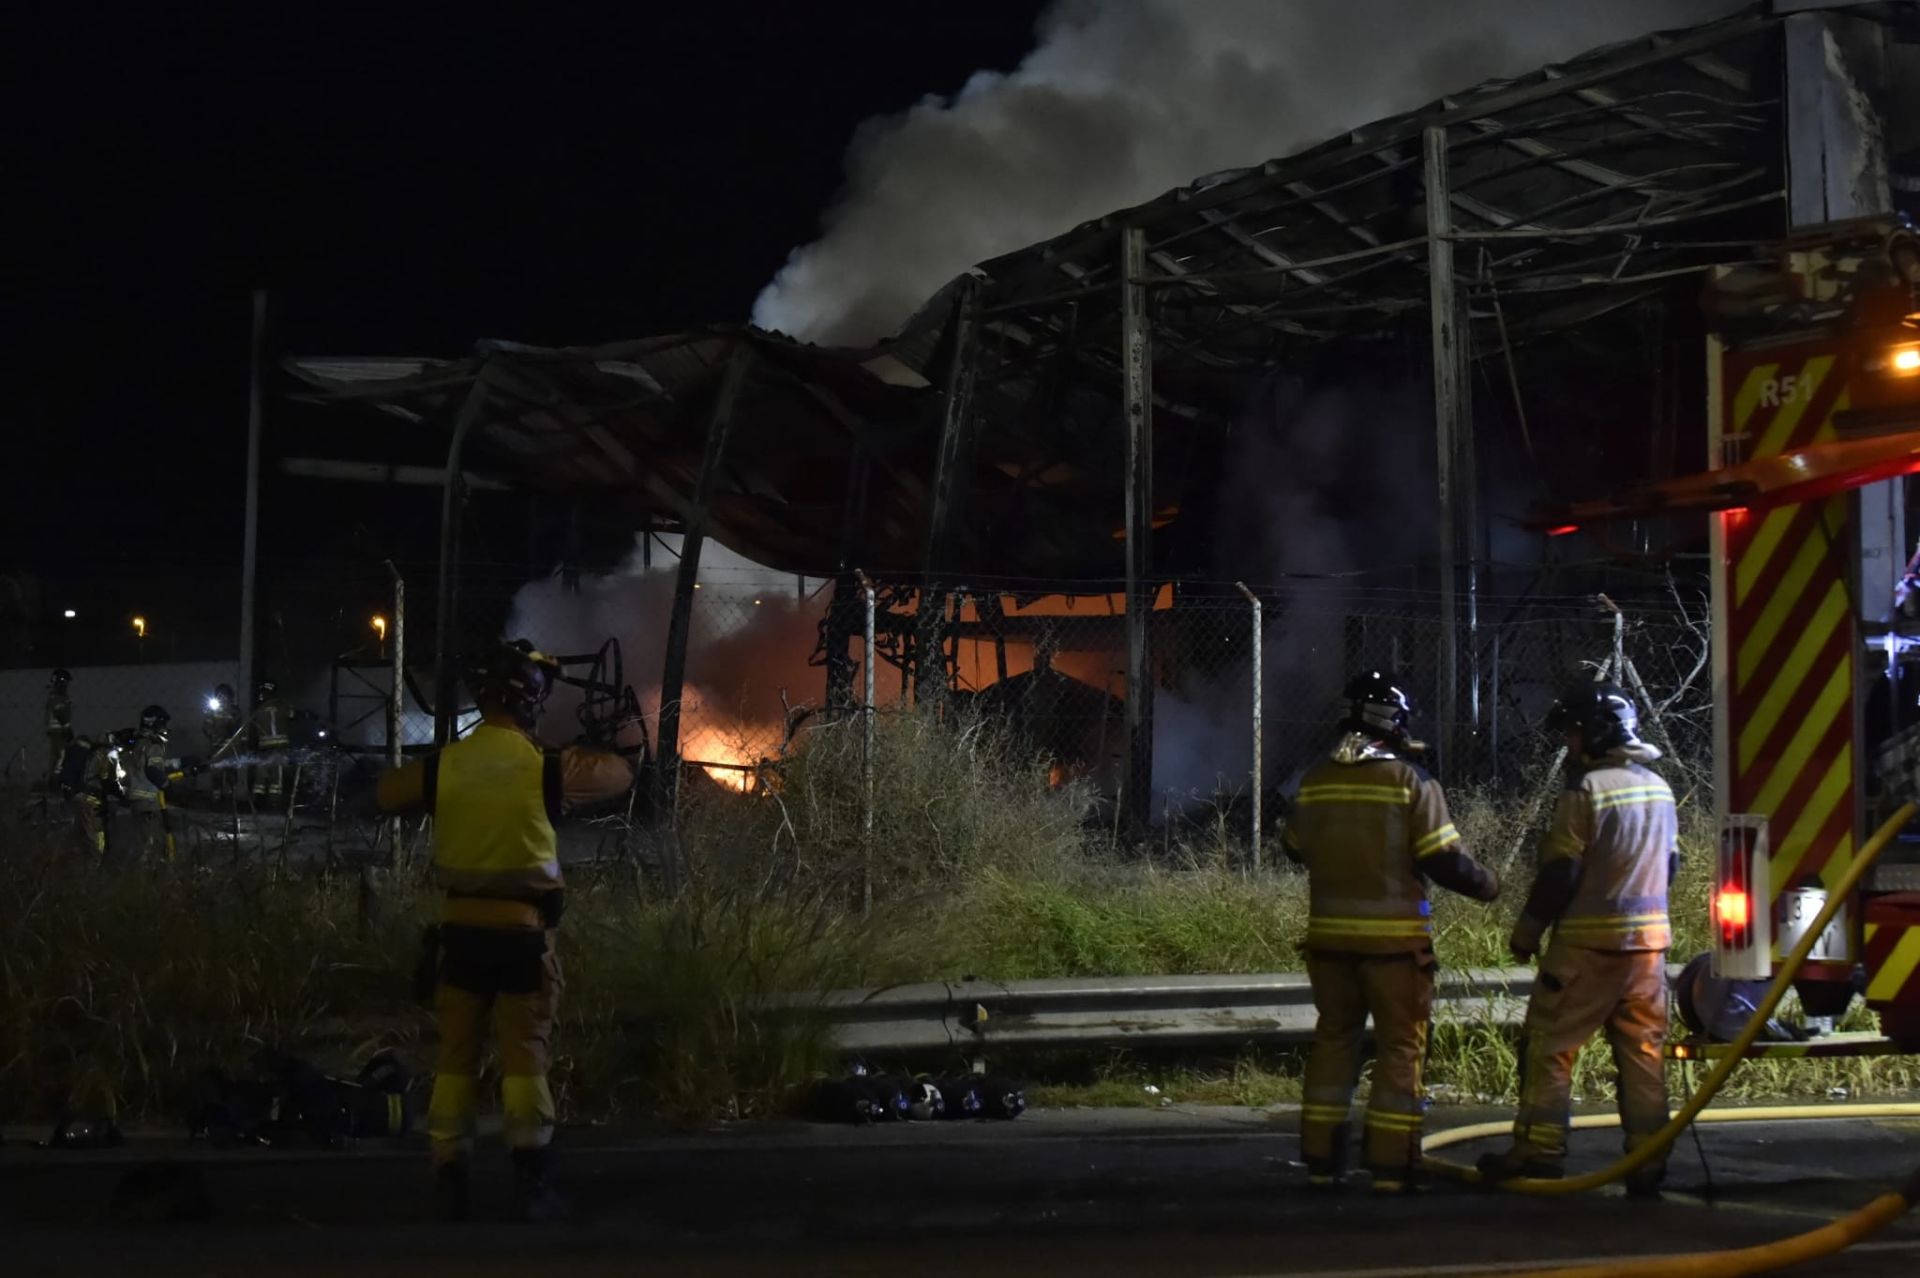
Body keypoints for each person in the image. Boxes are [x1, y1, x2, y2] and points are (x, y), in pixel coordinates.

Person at [376, 639, 634, 1221]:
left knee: (455, 1057)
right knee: (524, 1059)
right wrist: (579, 749)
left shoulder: (446, 765)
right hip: (523, 938)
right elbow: (618, 774)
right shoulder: (546, 769)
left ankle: (448, 1173)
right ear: (531, 705)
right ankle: (532, 1180)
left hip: (460, 935)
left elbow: (387, 792)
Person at [1283, 672, 1501, 1193]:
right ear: (1395, 724)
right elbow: (1442, 859)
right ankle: (1390, 1166)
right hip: (1395, 947)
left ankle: (1320, 1161)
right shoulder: (1411, 781)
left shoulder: (1316, 779)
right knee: (1401, 1049)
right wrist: (1492, 886)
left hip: (1330, 945)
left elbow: (1294, 847)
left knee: (1334, 1041)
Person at [1477, 682, 1678, 1196]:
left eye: (1572, 733)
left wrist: (1526, 932)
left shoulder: (1585, 791)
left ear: (1593, 733)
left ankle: (1540, 1153)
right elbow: (1670, 866)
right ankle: (1649, 1162)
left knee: (1550, 1048)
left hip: (1587, 952)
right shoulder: (1660, 788)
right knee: (1644, 1055)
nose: (1568, 743)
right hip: (1649, 954)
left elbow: (1562, 871)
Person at [122, 705, 190, 861]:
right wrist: (168, 786)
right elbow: (153, 770)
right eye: (164, 723)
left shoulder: (138, 742)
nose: (166, 728)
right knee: (151, 844)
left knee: (141, 840)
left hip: (135, 799)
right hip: (148, 801)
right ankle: (145, 878)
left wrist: (179, 763)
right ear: (156, 724)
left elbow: (145, 765)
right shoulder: (155, 744)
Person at [249, 679, 289, 804]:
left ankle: (258, 801)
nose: (261, 695)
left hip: (264, 748)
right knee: (276, 776)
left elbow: (252, 728)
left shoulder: (259, 709)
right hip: (279, 748)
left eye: (263, 692)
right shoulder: (282, 706)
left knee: (261, 775)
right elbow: (292, 715)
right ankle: (274, 802)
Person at [202, 683, 240, 801]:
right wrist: (214, 736)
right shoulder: (212, 711)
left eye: (225, 696)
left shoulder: (234, 711)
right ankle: (216, 797)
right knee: (216, 773)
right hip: (217, 747)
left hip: (230, 748)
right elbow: (206, 727)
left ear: (230, 697)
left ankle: (231, 797)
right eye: (220, 696)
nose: (222, 698)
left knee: (231, 773)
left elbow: (239, 728)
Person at [45, 669, 74, 786]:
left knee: (58, 757)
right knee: (61, 756)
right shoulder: (57, 696)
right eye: (66, 682)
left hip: (57, 731)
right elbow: (60, 712)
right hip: (59, 731)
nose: (67, 685)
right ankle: (56, 782)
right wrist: (67, 728)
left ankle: (55, 781)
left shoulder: (56, 695)